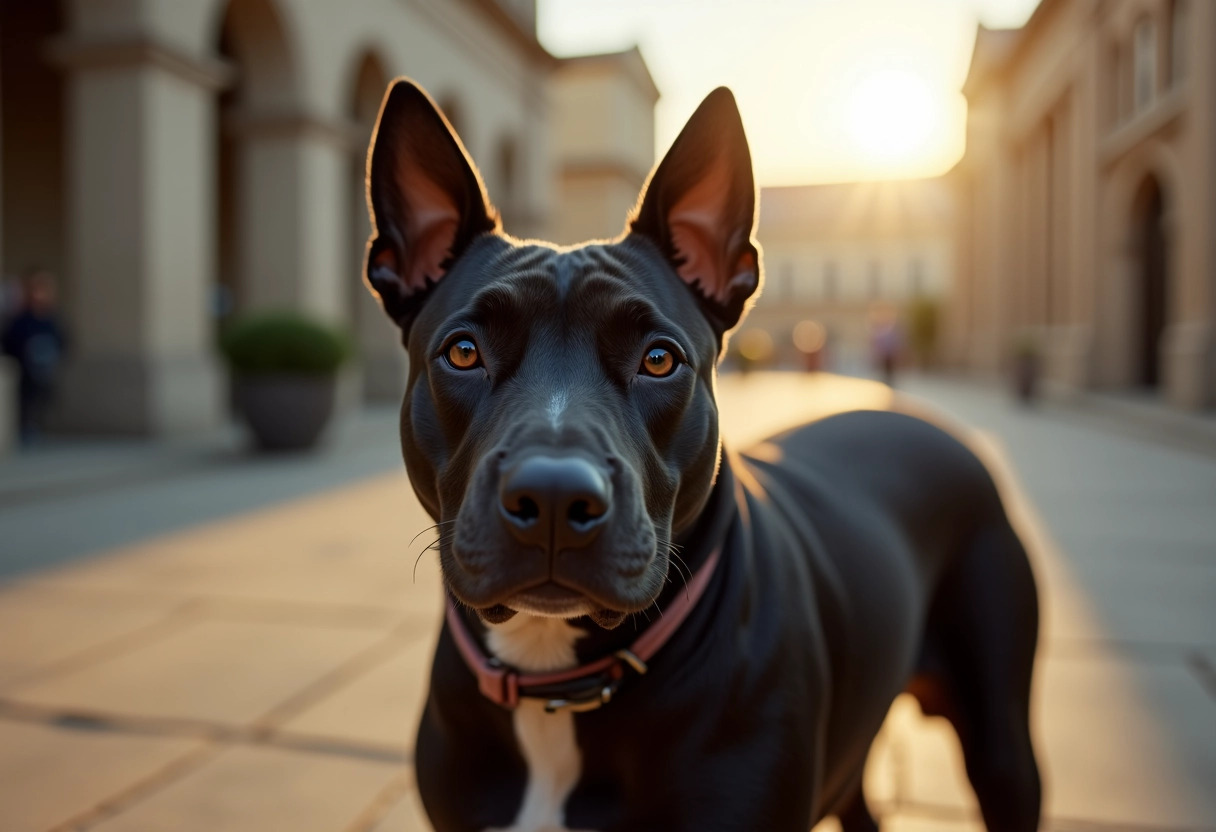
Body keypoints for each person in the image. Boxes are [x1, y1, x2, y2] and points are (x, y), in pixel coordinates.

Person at [2, 269, 66, 444]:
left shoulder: (51, 319)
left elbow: (63, 340)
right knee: (26, 399)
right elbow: (10, 341)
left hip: (45, 369)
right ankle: (26, 428)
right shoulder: (21, 320)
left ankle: (36, 427)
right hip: (26, 369)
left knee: (43, 398)